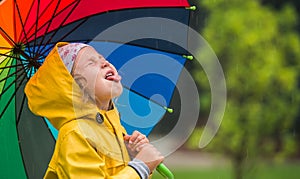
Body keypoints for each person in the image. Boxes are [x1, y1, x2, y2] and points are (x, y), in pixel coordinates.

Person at [25, 42, 164, 179]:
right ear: (75, 86)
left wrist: (132, 156)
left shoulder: (112, 127)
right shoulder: (76, 134)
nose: (105, 63)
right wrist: (140, 166)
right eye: (91, 63)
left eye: (103, 59)